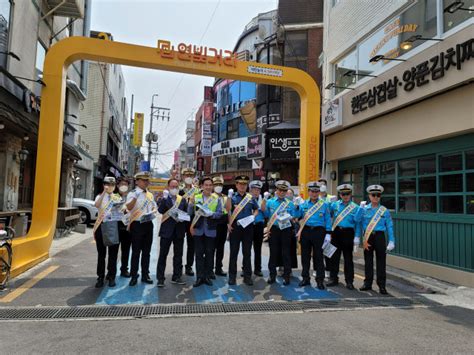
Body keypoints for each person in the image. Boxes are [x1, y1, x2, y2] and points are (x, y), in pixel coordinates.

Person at [360, 185, 395, 295]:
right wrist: (360, 209)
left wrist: (392, 240)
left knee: (381, 262)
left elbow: (389, 226)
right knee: (368, 261)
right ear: (369, 196)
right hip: (368, 237)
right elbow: (357, 220)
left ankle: (382, 285)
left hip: (380, 236)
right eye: (373, 195)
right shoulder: (364, 209)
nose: (375, 197)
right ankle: (367, 283)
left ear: (380, 197)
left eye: (378, 195)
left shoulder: (384, 211)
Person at [296, 181, 331, 290]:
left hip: (319, 232)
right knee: (305, 256)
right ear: (308, 192)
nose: (314, 194)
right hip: (306, 231)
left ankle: (320, 280)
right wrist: (296, 207)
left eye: (316, 191)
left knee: (318, 256)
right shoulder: (303, 205)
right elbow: (297, 217)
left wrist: (328, 233)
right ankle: (305, 278)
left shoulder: (324, 205)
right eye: (312, 191)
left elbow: (328, 220)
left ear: (319, 192)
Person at [188, 177, 223, 287]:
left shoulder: (216, 198)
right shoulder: (196, 197)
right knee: (198, 254)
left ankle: (207, 276)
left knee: (209, 254)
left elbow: (220, 213)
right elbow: (190, 213)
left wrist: (211, 214)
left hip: (210, 231)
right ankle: (199, 277)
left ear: (212, 186)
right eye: (206, 185)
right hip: (198, 230)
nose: (208, 187)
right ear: (202, 186)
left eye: (210, 185)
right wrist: (190, 204)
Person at [327, 184, 361, 290]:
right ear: (340, 195)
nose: (345, 196)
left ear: (351, 194)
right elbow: (327, 214)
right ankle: (333, 278)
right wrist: (328, 202)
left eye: (347, 194)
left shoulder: (356, 207)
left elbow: (358, 223)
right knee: (334, 257)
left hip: (348, 233)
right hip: (336, 232)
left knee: (348, 259)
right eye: (343, 194)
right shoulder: (335, 205)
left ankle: (349, 281)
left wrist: (357, 237)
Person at [226, 175, 259, 286]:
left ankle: (247, 276)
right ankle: (232, 277)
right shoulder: (232, 197)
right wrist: (229, 197)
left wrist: (254, 216)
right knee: (233, 253)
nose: (242, 186)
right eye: (240, 184)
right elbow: (228, 210)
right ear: (236, 185)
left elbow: (256, 209)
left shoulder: (250, 197)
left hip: (248, 227)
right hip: (236, 227)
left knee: (247, 253)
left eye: (244, 184)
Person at [126, 171, 157, 286]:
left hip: (148, 224)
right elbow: (128, 208)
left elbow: (154, 207)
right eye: (144, 180)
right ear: (137, 181)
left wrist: (153, 211)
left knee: (146, 252)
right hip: (137, 225)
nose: (146, 182)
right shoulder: (132, 193)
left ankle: (145, 274)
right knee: (136, 252)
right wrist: (135, 197)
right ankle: (134, 276)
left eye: (147, 180)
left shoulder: (150, 194)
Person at [156, 178, 188, 287]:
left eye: (176, 187)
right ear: (168, 187)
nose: (174, 189)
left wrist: (183, 218)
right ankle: (160, 279)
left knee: (178, 255)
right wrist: (164, 199)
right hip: (166, 231)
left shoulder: (182, 200)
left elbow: (186, 213)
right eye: (172, 187)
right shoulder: (164, 198)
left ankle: (177, 276)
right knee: (163, 255)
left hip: (179, 230)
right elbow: (160, 211)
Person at [264, 180, 297, 286]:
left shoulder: (290, 204)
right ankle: (272, 275)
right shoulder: (270, 202)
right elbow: (266, 215)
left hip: (286, 230)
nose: (282, 192)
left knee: (286, 253)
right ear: (276, 190)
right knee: (273, 253)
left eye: (284, 190)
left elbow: (294, 219)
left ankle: (286, 276)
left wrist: (291, 218)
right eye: (280, 190)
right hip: (274, 230)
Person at [92, 176, 122, 288]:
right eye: (108, 184)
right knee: (101, 254)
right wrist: (104, 192)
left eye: (112, 185)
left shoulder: (117, 197)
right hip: (101, 226)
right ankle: (100, 277)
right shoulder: (99, 196)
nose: (110, 186)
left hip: (113, 227)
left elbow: (121, 211)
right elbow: (97, 205)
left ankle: (111, 276)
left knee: (113, 255)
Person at [180, 167, 199, 277]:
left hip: (192, 221)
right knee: (179, 245)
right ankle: (178, 268)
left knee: (191, 245)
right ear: (183, 177)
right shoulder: (178, 189)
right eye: (186, 175)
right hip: (181, 220)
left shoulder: (196, 190)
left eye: (191, 176)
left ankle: (189, 266)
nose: (188, 177)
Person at [212, 176, 228, 277]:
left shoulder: (225, 197)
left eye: (220, 185)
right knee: (211, 248)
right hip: (213, 224)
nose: (218, 186)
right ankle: (209, 269)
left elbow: (229, 211)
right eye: (216, 185)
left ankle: (218, 268)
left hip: (223, 225)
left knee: (221, 247)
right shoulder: (210, 197)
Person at [249, 180, 266, 277]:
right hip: (248, 225)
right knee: (246, 249)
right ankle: (245, 268)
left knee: (258, 248)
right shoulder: (247, 198)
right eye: (254, 189)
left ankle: (257, 269)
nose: (256, 191)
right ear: (250, 190)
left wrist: (263, 205)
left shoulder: (263, 199)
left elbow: (266, 213)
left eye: (258, 190)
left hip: (259, 225)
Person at [117, 177, 132, 278]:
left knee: (126, 250)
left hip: (127, 228)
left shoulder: (131, 198)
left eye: (126, 185)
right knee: (113, 251)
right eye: (122, 184)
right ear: (117, 186)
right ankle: (111, 272)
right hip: (115, 227)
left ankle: (124, 270)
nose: (124, 186)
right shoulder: (113, 197)